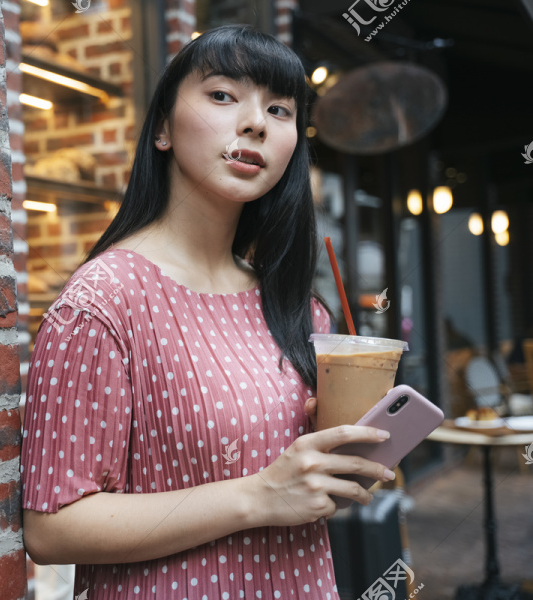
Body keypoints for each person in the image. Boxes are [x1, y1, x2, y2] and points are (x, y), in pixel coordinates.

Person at [20, 25, 396, 599]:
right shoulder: (102, 305)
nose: (256, 123)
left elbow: (306, 498)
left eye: (279, 108)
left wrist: (335, 472)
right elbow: (51, 528)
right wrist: (259, 496)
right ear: (164, 128)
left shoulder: (301, 311)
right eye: (223, 95)